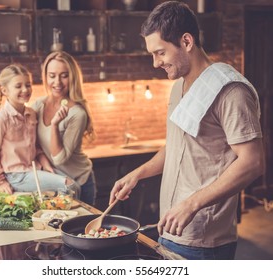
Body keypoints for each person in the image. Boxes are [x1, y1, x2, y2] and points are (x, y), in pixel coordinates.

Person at [109, 1, 264, 260]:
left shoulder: (231, 91)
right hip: (171, 228)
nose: (155, 63)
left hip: (204, 238)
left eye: (160, 53)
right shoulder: (178, 86)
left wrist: (191, 204)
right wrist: (139, 173)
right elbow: (179, 145)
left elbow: (253, 162)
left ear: (187, 42)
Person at [0, 64, 77, 195]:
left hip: (34, 169)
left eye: (28, 85)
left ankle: (59, 213)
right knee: (70, 186)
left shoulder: (32, 114)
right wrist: (1, 182)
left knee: (74, 184)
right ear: (4, 90)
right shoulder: (0, 120)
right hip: (16, 176)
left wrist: (46, 165)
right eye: (18, 86)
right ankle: (65, 215)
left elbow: (36, 147)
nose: (25, 90)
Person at [32, 51, 97, 205]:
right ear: (45, 77)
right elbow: (32, 144)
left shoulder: (77, 113)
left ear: (72, 77)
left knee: (80, 229)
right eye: (52, 75)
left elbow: (59, 158)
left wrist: (54, 124)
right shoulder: (38, 105)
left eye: (64, 75)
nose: (57, 82)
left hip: (79, 181)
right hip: (56, 181)